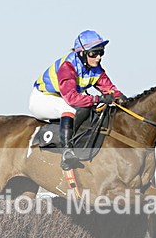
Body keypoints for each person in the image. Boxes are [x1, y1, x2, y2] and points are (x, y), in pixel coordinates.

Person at [29, 30, 126, 170]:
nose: (98, 57)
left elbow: (109, 88)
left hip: (62, 98)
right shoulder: (67, 67)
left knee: (90, 110)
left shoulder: (95, 68)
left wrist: (120, 98)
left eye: (101, 52)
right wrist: (98, 98)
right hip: (42, 99)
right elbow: (72, 98)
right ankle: (67, 152)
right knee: (69, 109)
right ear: (81, 53)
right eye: (94, 53)